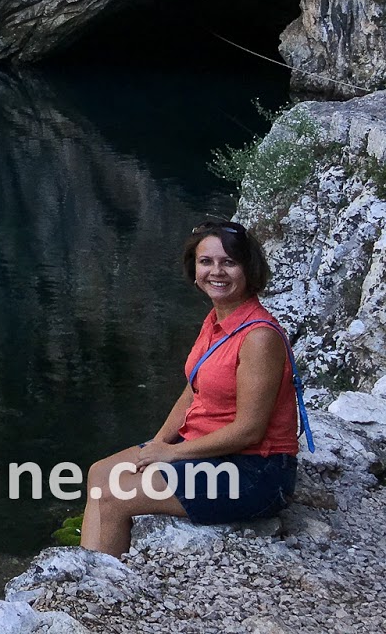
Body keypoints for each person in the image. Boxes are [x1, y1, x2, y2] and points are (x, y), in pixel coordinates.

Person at [80, 221, 307, 558]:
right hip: (209, 451)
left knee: (116, 496)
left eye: (229, 262)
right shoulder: (218, 320)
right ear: (194, 268)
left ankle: (100, 592)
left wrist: (171, 454)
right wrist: (158, 444)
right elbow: (192, 392)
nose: (216, 271)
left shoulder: (258, 338)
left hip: (254, 472)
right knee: (101, 473)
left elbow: (250, 430)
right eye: (206, 262)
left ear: (248, 268)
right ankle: (85, 571)